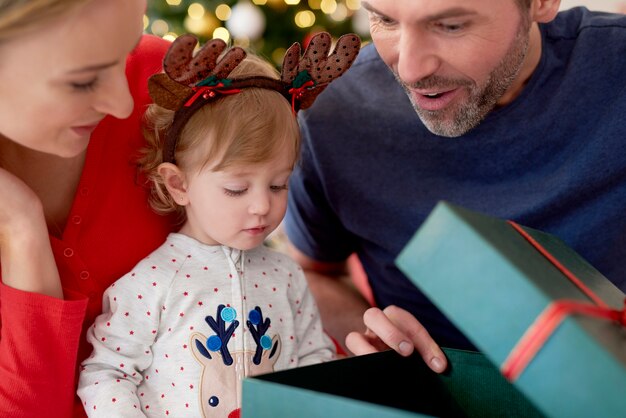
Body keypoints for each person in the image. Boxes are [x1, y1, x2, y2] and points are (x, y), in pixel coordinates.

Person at [283, 0, 626, 373]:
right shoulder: (333, 115)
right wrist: (371, 331)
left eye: (451, 26)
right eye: (384, 19)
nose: (411, 70)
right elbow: (312, 273)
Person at [77, 32, 360, 417]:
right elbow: (105, 372)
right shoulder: (153, 283)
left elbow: (313, 359)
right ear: (179, 184)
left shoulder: (287, 276)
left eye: (278, 184)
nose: (262, 205)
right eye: (236, 188)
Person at [0, 1, 177, 416]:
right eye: (82, 82)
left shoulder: (167, 88)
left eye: (125, 53)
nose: (123, 104)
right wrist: (21, 229)